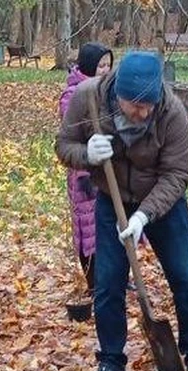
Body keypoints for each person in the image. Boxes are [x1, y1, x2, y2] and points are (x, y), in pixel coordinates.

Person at [56, 50, 188, 371]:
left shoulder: (170, 112)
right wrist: (86, 154)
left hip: (162, 202)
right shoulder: (89, 98)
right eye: (136, 106)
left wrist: (144, 215)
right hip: (111, 201)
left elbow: (178, 173)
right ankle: (111, 360)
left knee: (185, 279)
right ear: (118, 96)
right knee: (108, 283)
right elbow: (63, 145)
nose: (143, 112)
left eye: (149, 106)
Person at [59, 43, 113, 292]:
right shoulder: (73, 94)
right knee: (87, 227)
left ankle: (113, 276)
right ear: (89, 66)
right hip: (83, 171)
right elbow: (70, 133)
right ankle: (93, 281)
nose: (105, 70)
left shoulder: (109, 90)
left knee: (108, 225)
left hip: (108, 167)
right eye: (101, 65)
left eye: (108, 65)